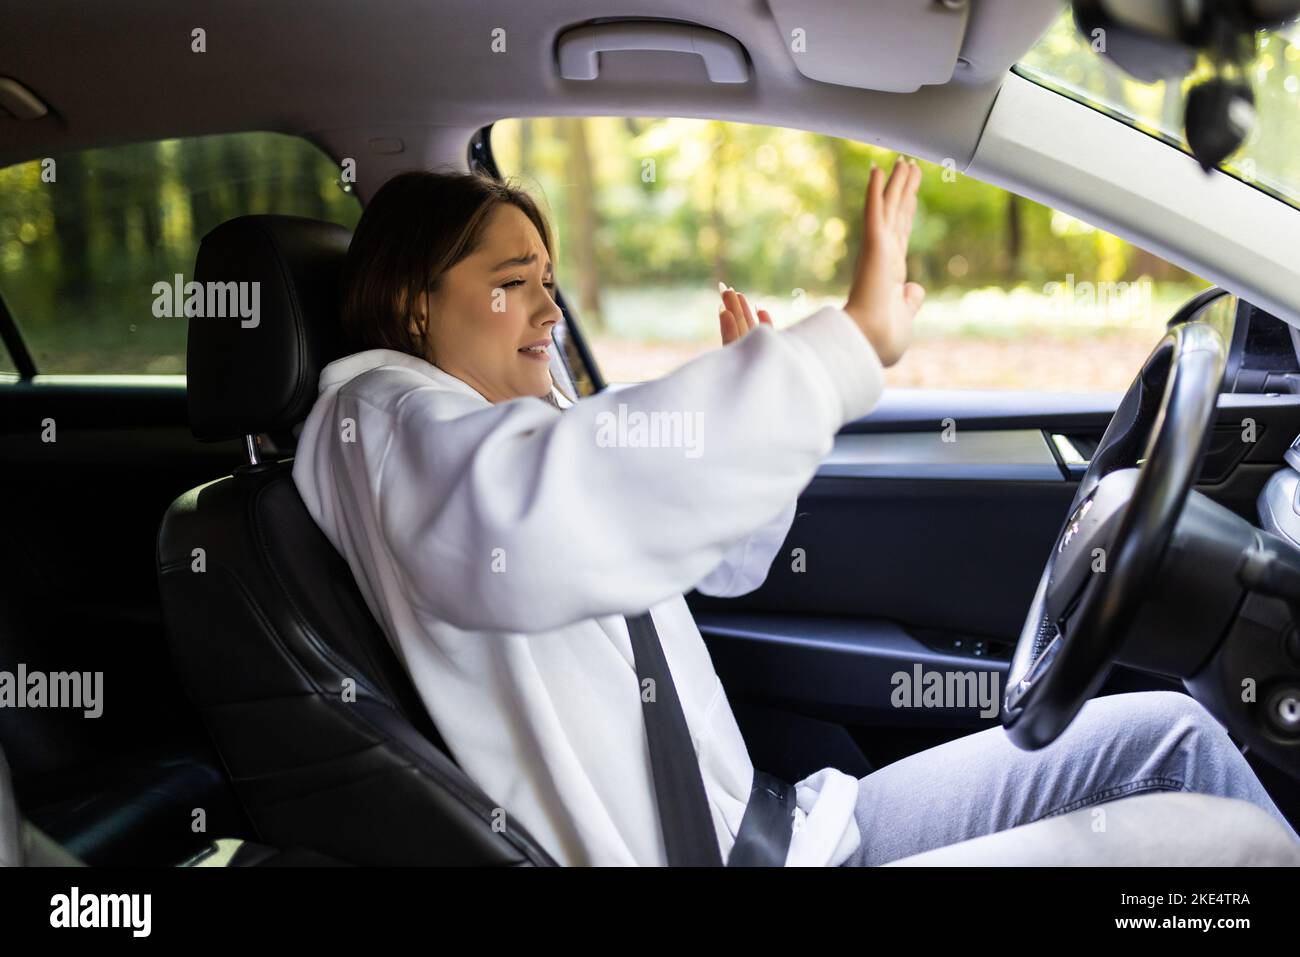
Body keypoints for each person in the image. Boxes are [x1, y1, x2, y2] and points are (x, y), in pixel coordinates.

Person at [291, 160, 1300, 866]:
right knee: (1240, 855)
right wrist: (842, 345)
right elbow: (521, 511)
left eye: (551, 282)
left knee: (1172, 734)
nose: (552, 313)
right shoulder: (380, 419)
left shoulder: (498, 429)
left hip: (791, 831)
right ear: (417, 303)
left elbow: (719, 567)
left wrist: (746, 402)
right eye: (514, 285)